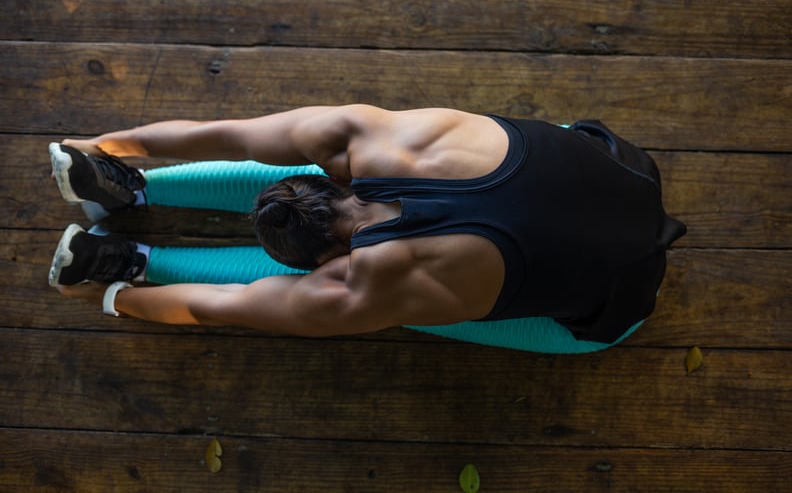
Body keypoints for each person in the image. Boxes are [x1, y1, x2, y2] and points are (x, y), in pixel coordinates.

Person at [50, 105, 686, 343]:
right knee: (402, 298)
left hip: (621, 300)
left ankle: (129, 207)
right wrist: (123, 304)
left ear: (329, 265)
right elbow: (232, 137)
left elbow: (224, 308)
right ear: (332, 177)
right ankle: (131, 259)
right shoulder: (367, 137)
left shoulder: (362, 283)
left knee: (410, 303)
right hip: (620, 169)